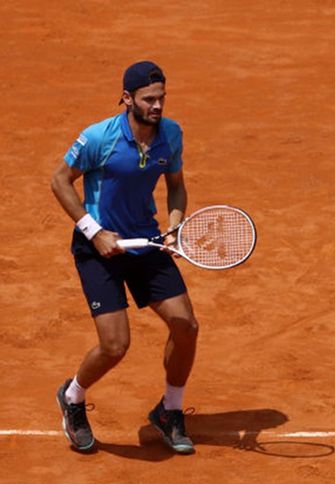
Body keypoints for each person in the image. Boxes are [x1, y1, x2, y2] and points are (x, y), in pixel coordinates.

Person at [50, 61, 198, 455]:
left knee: (186, 326)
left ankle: (170, 410)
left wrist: (174, 223)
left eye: (162, 98)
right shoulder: (99, 137)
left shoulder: (171, 135)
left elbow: (177, 187)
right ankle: (74, 396)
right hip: (97, 248)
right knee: (115, 345)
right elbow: (59, 180)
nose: (157, 106)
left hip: (146, 241)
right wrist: (94, 232)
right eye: (149, 99)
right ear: (128, 98)